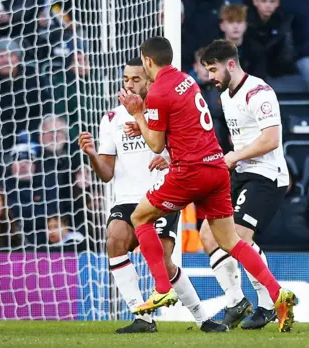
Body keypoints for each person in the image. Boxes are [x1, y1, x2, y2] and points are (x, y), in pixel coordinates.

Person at [118, 37, 296, 333]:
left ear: (147, 61)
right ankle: (278, 294)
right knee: (229, 241)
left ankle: (162, 288)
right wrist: (149, 126)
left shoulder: (160, 91)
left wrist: (138, 114)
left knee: (139, 217)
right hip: (217, 168)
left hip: (199, 172)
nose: (211, 77)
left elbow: (155, 144)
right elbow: (186, 126)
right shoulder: (186, 81)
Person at [79, 58, 227, 334]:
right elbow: (107, 172)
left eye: (136, 79)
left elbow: (188, 147)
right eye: (126, 79)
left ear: (149, 80)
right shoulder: (111, 119)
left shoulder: (166, 108)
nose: (130, 84)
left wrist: (169, 158)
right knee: (114, 240)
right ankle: (142, 317)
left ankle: (202, 318)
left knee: (163, 259)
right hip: (126, 198)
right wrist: (91, 155)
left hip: (162, 193)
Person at [200, 39, 290, 330]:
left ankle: (268, 305)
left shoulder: (259, 92)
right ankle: (236, 300)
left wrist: (234, 157)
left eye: (213, 70)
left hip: (266, 174)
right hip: (240, 172)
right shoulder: (226, 96)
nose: (210, 77)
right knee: (208, 235)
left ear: (230, 64)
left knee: (238, 234)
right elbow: (238, 139)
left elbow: (271, 139)